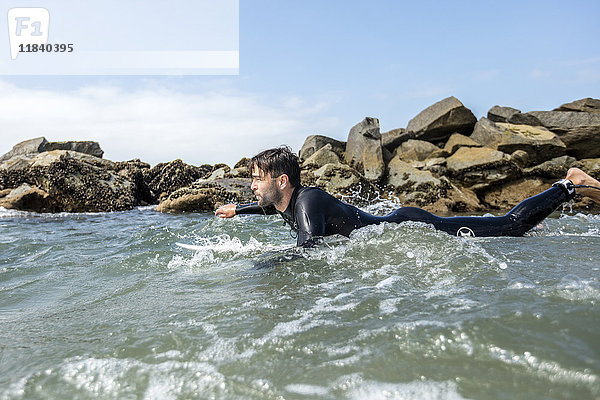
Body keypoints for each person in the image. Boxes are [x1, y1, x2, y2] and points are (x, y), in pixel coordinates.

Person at [215, 146, 600, 247]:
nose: (251, 185)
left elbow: (309, 244)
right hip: (398, 222)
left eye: (256, 180)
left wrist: (270, 266)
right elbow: (270, 211)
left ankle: (568, 183)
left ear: (282, 181)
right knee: (509, 227)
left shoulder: (307, 202)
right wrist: (240, 208)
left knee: (509, 226)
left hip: (414, 224)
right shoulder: (287, 200)